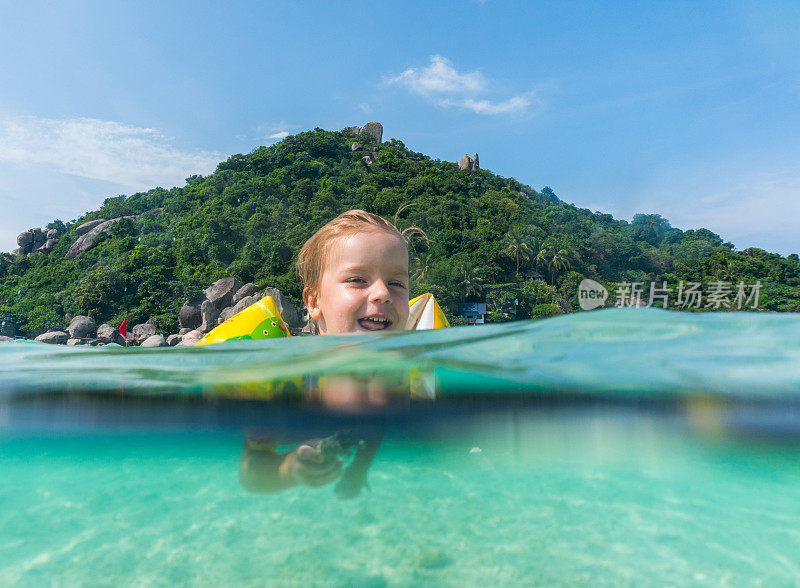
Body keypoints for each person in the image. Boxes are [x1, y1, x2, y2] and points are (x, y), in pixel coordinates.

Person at [240, 210, 410, 497]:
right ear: (314, 301)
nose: (383, 293)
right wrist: (291, 468)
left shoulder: (397, 377)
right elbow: (251, 474)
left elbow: (375, 430)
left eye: (397, 283)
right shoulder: (286, 384)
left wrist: (358, 471)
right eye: (357, 279)